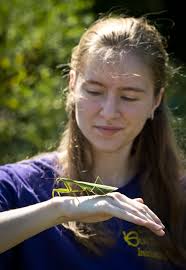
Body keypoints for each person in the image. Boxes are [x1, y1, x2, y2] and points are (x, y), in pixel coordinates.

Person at [0, 14, 186, 270]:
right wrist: (59, 209)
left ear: (156, 100)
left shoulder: (179, 198)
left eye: (129, 97)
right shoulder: (17, 188)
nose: (109, 112)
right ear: (73, 84)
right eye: (95, 91)